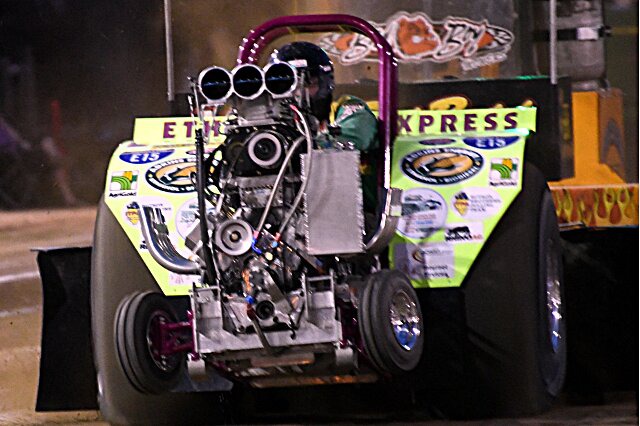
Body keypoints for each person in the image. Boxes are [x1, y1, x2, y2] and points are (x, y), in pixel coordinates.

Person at [275, 41, 379, 211]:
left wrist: (305, 145)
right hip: (287, 211)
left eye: (308, 83)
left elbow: (360, 135)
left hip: (357, 211)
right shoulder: (272, 127)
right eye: (287, 84)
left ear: (324, 84)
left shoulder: (347, 106)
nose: (297, 92)